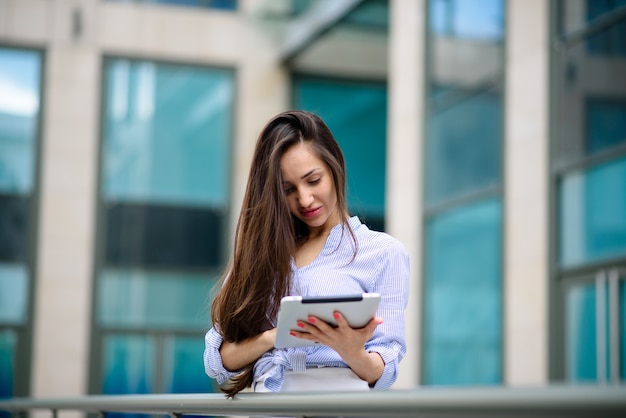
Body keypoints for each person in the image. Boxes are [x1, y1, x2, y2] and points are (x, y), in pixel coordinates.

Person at [204, 110, 409, 397]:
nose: (304, 199)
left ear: (334, 166)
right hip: (269, 405)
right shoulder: (262, 253)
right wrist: (273, 338)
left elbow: (385, 368)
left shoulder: (383, 253)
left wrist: (352, 352)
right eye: (288, 189)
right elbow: (217, 361)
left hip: (338, 402)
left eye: (313, 180)